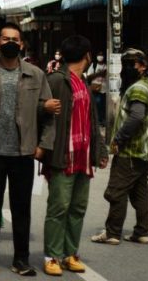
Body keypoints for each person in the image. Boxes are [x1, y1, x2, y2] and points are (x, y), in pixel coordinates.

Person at [0, 22, 56, 276]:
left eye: (15, 40)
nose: (10, 43)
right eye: (5, 39)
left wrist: (42, 146)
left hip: (23, 153)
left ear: (22, 44)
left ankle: (21, 260)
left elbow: (48, 112)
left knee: (21, 210)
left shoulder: (36, 75)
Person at [42, 36, 108, 276]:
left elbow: (93, 121)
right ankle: (52, 256)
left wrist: (100, 151)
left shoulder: (83, 82)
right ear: (87, 55)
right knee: (58, 207)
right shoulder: (57, 80)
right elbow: (40, 111)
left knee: (78, 208)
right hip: (62, 156)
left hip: (83, 156)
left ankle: (70, 253)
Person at [91, 48, 148, 246]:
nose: (128, 67)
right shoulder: (146, 85)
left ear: (143, 66)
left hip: (130, 151)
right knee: (139, 192)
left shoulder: (138, 89)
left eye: (133, 64)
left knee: (116, 191)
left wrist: (118, 139)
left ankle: (112, 233)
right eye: (125, 63)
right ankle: (141, 232)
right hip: (142, 152)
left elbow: (136, 116)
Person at [86, 51, 107, 127]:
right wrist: (99, 74)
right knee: (97, 105)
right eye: (99, 55)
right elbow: (88, 77)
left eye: (102, 55)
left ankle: (102, 120)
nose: (100, 56)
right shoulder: (93, 65)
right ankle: (97, 121)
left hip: (105, 89)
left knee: (103, 106)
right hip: (96, 89)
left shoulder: (107, 66)